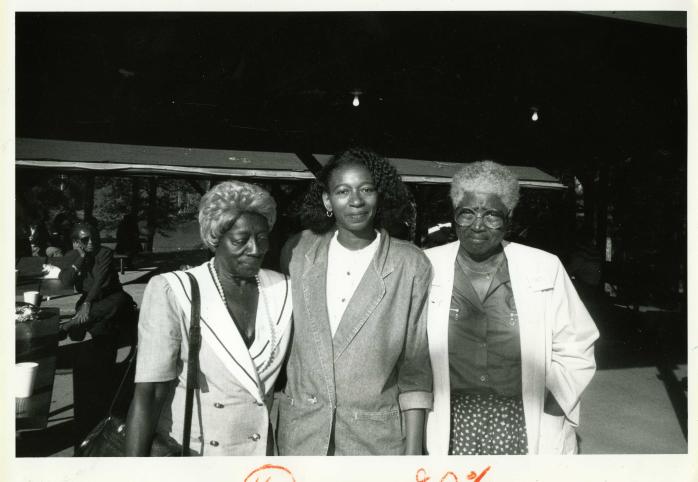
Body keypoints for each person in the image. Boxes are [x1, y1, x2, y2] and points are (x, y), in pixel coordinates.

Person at [424, 161, 599, 455]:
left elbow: (577, 344)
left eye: (491, 215)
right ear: (454, 216)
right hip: (448, 422)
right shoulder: (427, 265)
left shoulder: (544, 267)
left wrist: (555, 406)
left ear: (509, 217)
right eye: (467, 213)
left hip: (524, 421)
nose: (478, 225)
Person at [276, 147, 433, 456]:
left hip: (374, 444)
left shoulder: (410, 263)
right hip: (301, 439)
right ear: (327, 200)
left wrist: (413, 458)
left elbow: (415, 368)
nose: (356, 201)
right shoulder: (298, 251)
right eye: (343, 191)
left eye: (366, 189)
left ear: (380, 194)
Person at [124, 181, 292, 456]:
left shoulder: (283, 290)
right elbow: (150, 392)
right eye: (241, 240)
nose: (255, 248)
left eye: (262, 237)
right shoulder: (175, 289)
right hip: (192, 455)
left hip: (258, 455)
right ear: (216, 238)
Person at [57, 221, 136, 447]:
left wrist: (87, 305)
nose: (91, 243)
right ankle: (82, 326)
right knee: (102, 336)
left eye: (94, 238)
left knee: (117, 303)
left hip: (110, 297)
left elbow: (100, 281)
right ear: (75, 242)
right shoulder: (73, 255)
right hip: (92, 305)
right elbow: (65, 281)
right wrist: (80, 259)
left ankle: (73, 325)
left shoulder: (105, 253)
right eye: (84, 240)